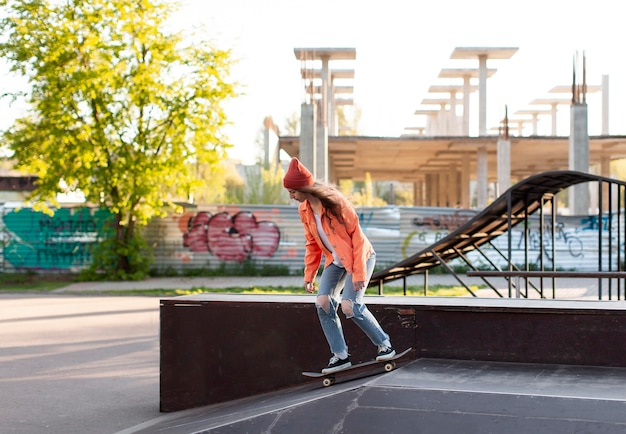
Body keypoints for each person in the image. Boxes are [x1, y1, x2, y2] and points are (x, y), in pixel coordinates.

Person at [283, 157, 395, 374]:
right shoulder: (304, 210)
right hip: (335, 262)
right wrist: (309, 275)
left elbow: (358, 238)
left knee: (350, 305)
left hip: (360, 256)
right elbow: (312, 244)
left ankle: (385, 344)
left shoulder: (335, 202)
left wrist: (359, 272)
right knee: (323, 302)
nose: (291, 196)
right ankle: (340, 356)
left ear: (304, 188)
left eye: (293, 192)